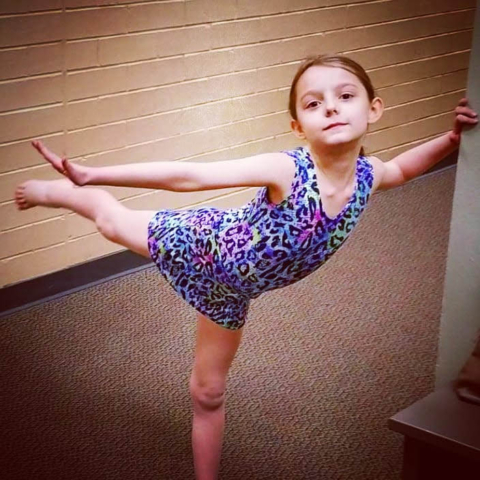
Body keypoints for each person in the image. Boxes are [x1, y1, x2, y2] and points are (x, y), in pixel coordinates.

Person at [14, 53, 478, 480]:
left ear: (373, 109)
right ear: (299, 126)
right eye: (315, 103)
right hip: (198, 243)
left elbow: (402, 171)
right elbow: (189, 176)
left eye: (345, 96)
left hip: (230, 294)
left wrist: (451, 139)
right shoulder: (288, 170)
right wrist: (95, 172)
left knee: (207, 393)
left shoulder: (367, 175)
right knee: (112, 223)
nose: (332, 108)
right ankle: (61, 192)